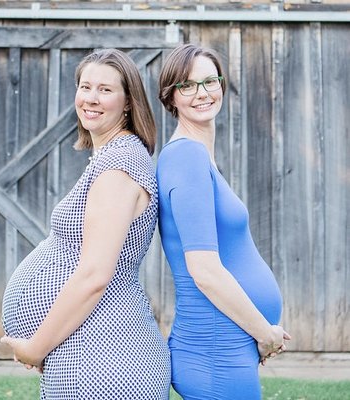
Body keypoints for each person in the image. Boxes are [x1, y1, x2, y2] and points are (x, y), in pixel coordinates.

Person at [1, 48, 171, 399]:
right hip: (89, 352)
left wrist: (36, 346)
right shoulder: (111, 157)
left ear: (128, 102)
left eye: (105, 90)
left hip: (105, 358)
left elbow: (94, 276)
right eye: (85, 86)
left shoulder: (120, 165)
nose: (91, 99)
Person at [156, 43, 291, 400]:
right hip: (213, 350)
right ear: (171, 98)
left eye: (210, 81)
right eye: (187, 86)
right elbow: (204, 270)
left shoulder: (200, 156)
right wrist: (264, 332)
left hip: (227, 345)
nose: (202, 93)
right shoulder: (186, 157)